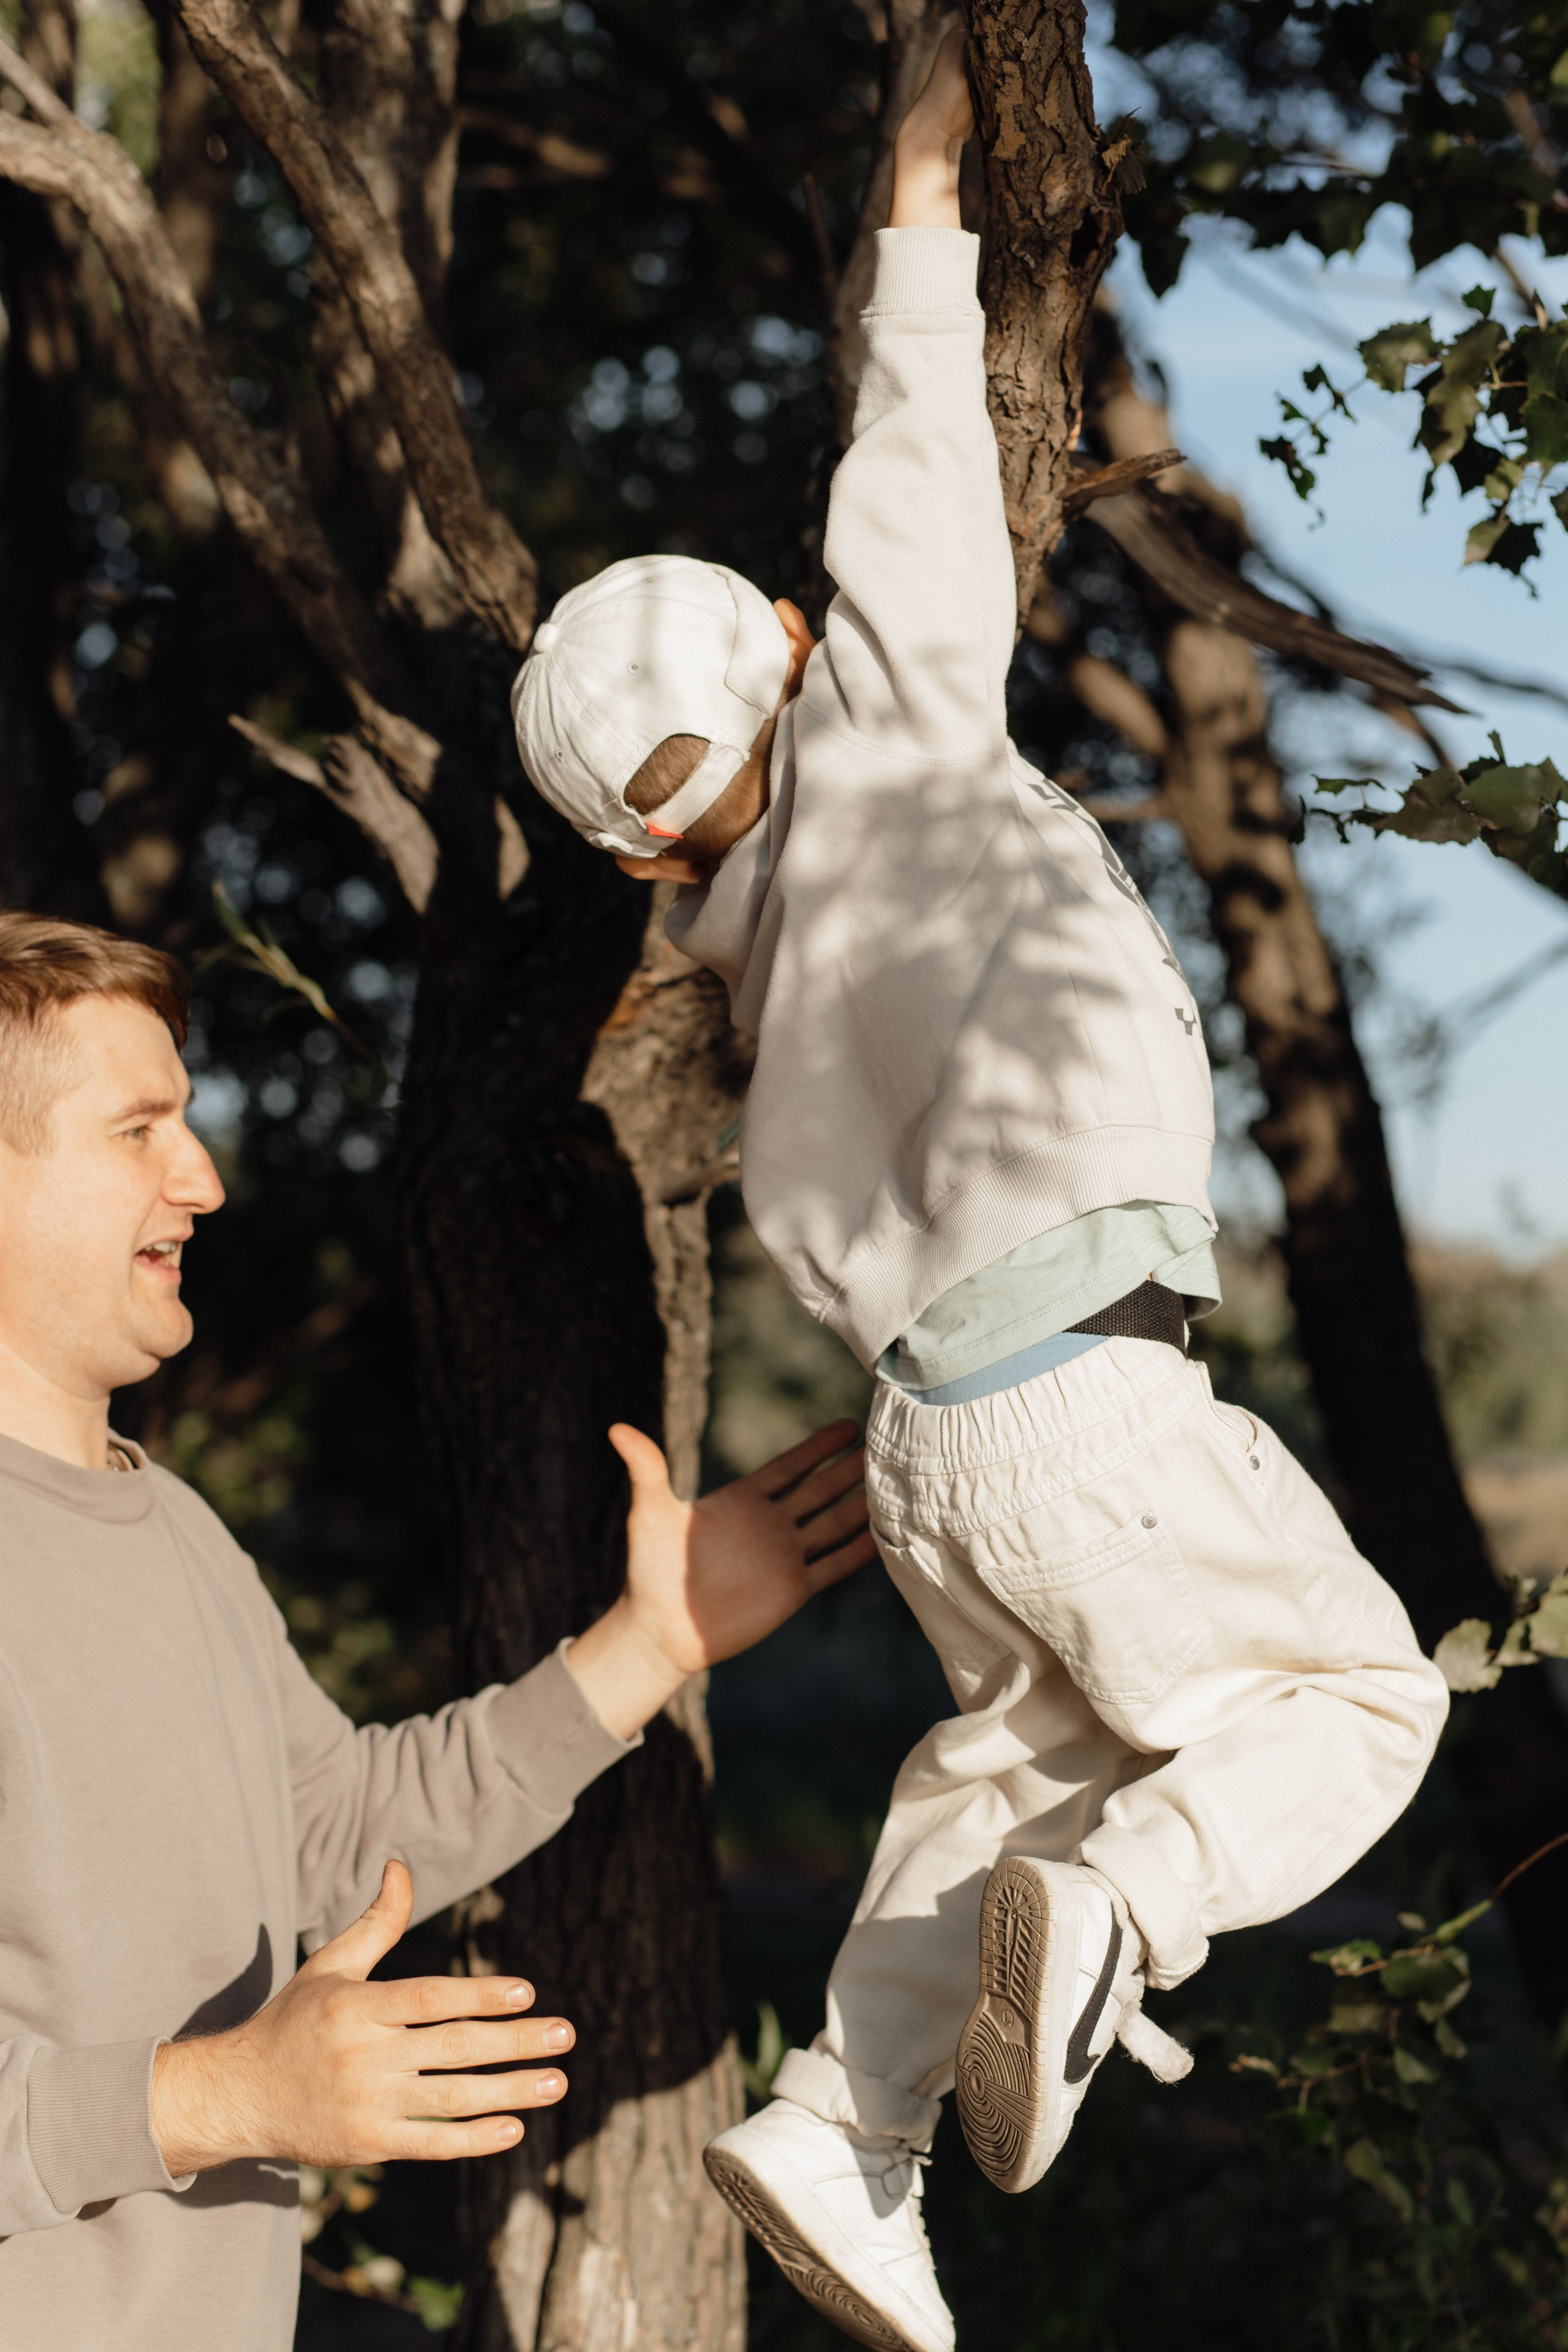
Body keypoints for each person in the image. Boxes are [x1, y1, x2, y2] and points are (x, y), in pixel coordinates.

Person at [509, 29, 1451, 2352]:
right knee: (1359, 1696)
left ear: (643, 848)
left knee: (992, 1771)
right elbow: (919, 458)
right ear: (802, 663)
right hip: (1087, 1395)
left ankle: (850, 2110)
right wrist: (920, 178)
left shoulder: (723, 942)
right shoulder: (900, 737)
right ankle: (1135, 1904)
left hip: (936, 1450)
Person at [0, 910, 875, 2351]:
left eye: (190, 1125)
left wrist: (645, 1648)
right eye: (139, 1129)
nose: (201, 1179)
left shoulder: (175, 1534)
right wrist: (222, 2099)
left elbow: (332, 1838)